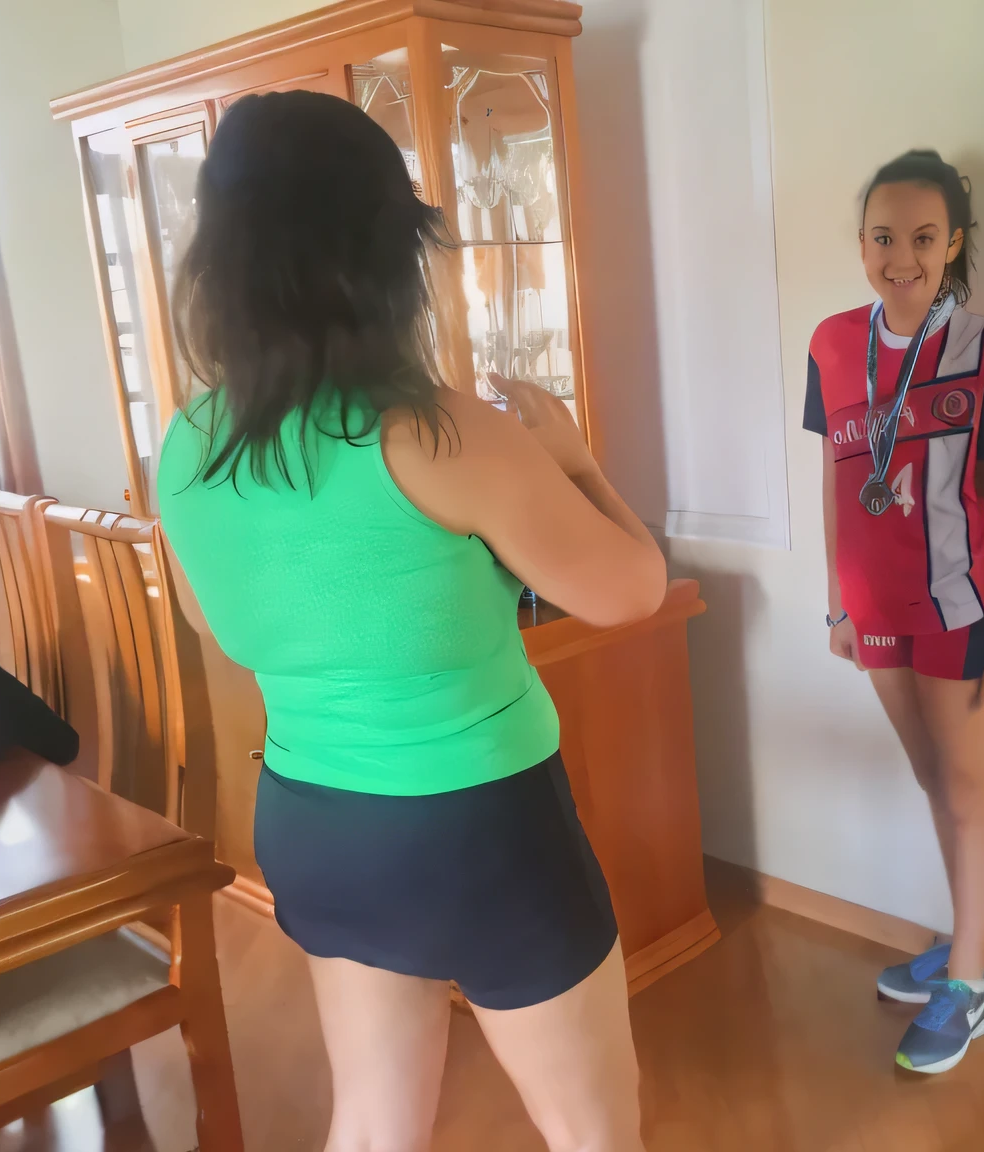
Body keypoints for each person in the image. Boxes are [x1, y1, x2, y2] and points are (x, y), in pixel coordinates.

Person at [155, 90, 664, 1152]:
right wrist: (577, 461)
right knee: (592, 1131)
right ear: (387, 255)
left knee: (377, 1118)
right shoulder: (435, 434)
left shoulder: (187, 444)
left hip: (312, 819)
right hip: (480, 830)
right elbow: (631, 590)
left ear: (224, 258)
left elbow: (217, 626)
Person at [802, 150, 984, 1075]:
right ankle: (973, 948)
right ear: (862, 243)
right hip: (875, 614)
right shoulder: (831, 343)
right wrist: (835, 607)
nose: (899, 255)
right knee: (936, 782)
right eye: (882, 236)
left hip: (959, 610)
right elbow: (834, 487)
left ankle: (970, 983)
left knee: (970, 784)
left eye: (922, 237)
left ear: (953, 244)